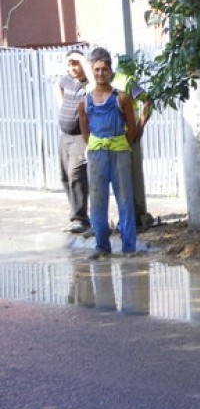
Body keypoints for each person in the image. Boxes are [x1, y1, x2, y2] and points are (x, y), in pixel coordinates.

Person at [77, 47, 138, 258]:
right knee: (97, 201)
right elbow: (85, 131)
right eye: (97, 69)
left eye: (104, 69)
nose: (101, 73)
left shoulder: (122, 98)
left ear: (111, 70)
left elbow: (132, 127)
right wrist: (96, 145)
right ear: (92, 71)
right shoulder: (85, 102)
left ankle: (129, 247)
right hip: (96, 155)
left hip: (120, 153)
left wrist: (120, 143)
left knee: (125, 200)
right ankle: (102, 246)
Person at [111, 59, 155, 231]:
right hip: (107, 140)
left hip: (128, 138)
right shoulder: (94, 85)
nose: (100, 73)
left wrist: (140, 126)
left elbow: (148, 100)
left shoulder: (126, 82)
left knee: (128, 180)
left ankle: (131, 220)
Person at [55, 49, 92, 234]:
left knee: (76, 175)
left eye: (75, 64)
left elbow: (93, 81)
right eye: (69, 64)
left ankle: (79, 219)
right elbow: (57, 85)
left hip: (80, 137)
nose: (72, 68)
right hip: (65, 136)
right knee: (65, 177)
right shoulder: (66, 81)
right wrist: (61, 105)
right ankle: (77, 214)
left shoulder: (90, 84)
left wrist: (82, 60)